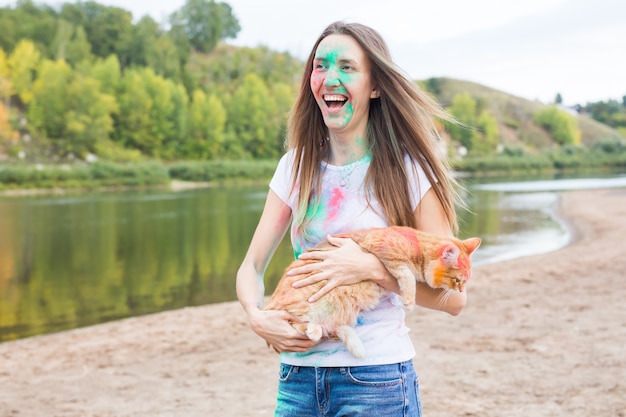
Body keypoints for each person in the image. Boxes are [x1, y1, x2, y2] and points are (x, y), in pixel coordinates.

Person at [236, 21, 467, 416]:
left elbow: (454, 299)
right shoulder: (294, 167)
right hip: (297, 382)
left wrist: (372, 269)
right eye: (321, 66)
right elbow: (252, 267)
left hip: (375, 380)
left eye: (347, 67)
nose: (330, 78)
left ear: (375, 85)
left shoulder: (409, 173)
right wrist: (258, 318)